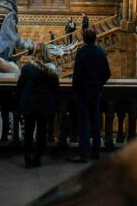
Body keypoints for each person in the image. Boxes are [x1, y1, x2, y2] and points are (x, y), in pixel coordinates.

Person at [69, 28, 112, 163]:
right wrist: (98, 85)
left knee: (83, 123)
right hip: (95, 92)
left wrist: (77, 90)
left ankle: (84, 154)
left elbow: (77, 75)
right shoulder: (100, 51)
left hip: (83, 93)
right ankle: (96, 152)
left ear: (84, 39)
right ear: (95, 38)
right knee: (96, 121)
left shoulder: (81, 52)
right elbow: (107, 73)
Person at [16, 42, 59, 168]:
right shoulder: (51, 70)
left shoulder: (27, 68)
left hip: (29, 104)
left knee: (28, 131)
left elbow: (20, 87)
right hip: (44, 105)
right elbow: (56, 88)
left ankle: (27, 157)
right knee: (42, 132)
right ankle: (38, 157)